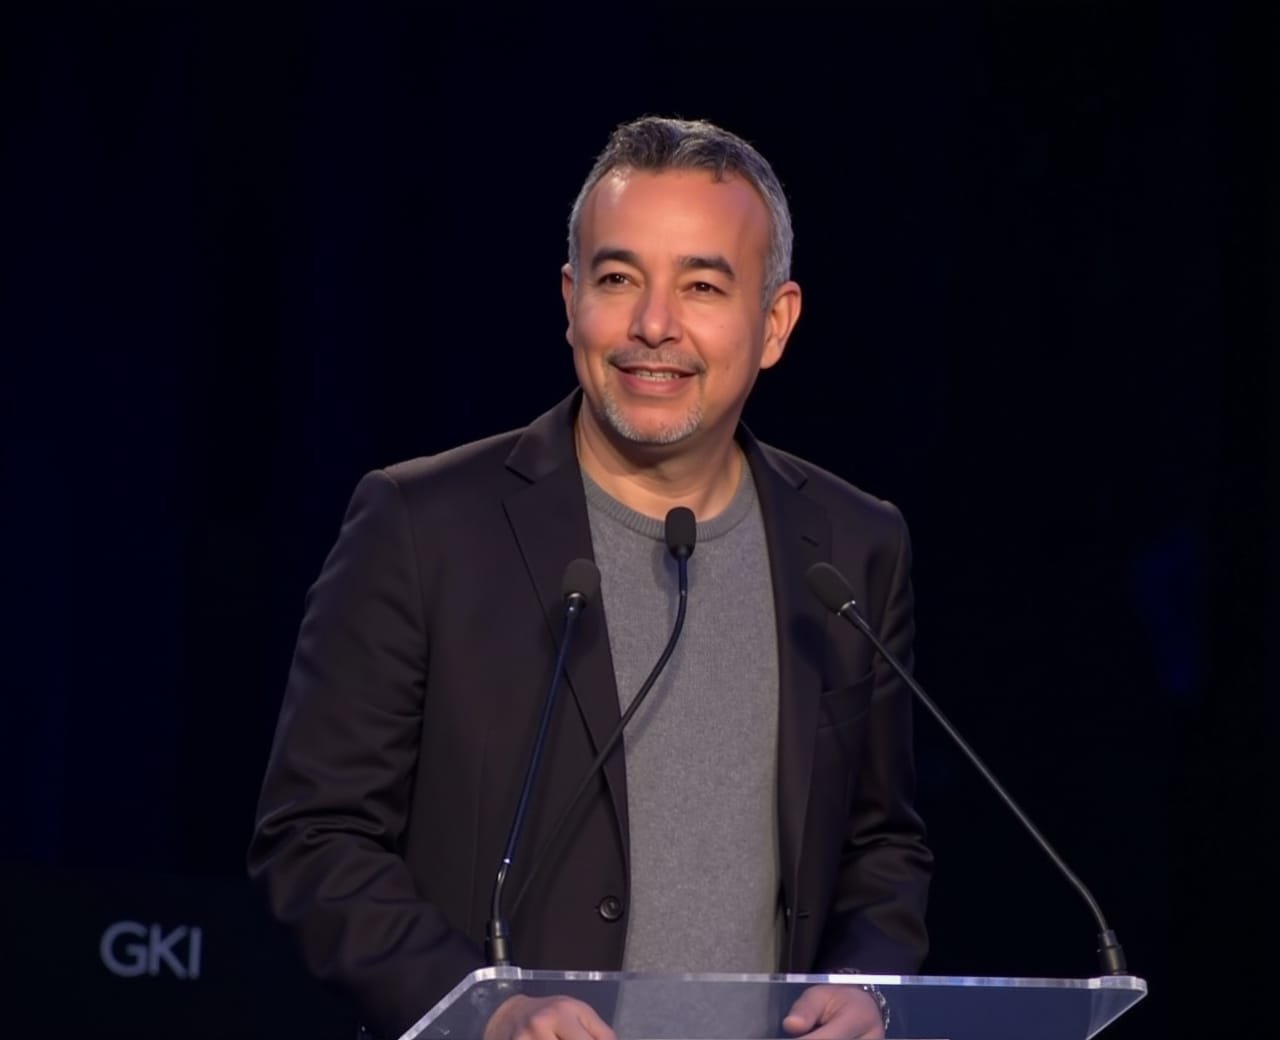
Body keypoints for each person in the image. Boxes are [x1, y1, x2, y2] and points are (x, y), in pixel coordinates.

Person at [247, 115, 932, 1040]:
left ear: (774, 324)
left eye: (701, 285)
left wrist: (867, 984)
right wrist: (483, 1010)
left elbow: (882, 845)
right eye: (618, 280)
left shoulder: (852, 547)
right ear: (571, 301)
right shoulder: (420, 526)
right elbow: (314, 838)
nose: (654, 325)